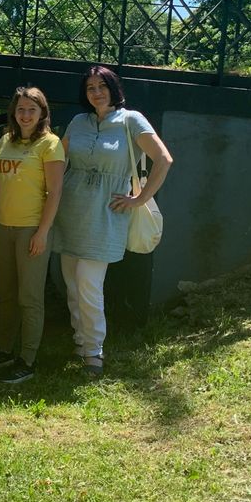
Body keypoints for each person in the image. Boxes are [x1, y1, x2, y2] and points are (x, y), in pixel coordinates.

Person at [53, 66, 173, 378]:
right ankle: (80, 341)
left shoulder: (131, 119)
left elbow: (164, 159)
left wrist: (140, 199)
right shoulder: (78, 121)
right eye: (90, 88)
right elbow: (58, 161)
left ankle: (94, 352)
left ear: (113, 88)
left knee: (88, 283)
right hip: (71, 209)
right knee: (71, 282)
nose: (96, 93)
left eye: (102, 86)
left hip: (106, 213)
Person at [0, 87, 66, 383]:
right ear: (14, 112)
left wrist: (42, 232)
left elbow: (55, 192)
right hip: (3, 227)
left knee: (29, 297)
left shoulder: (50, 143)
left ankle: (27, 359)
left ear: (42, 112)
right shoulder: (6, 139)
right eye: (21, 109)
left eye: (32, 109)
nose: (26, 115)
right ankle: (6, 350)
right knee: (6, 294)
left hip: (31, 229)